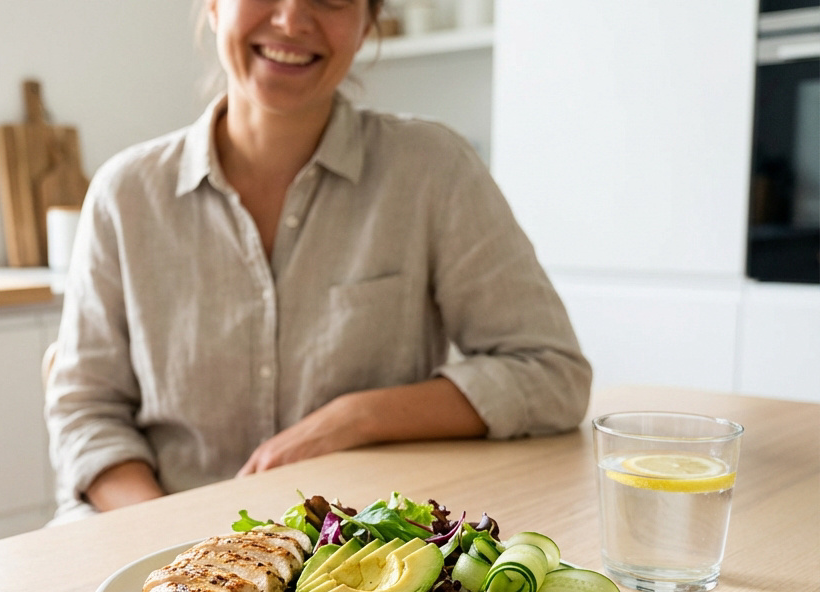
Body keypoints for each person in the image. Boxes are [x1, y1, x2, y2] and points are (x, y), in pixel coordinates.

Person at [44, 0, 591, 523]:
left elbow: (551, 374)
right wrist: (172, 543)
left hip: (353, 562)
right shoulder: (126, 194)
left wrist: (356, 417)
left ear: (368, 22)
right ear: (213, 9)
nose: (291, 19)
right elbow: (86, 410)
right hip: (146, 538)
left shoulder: (432, 170)